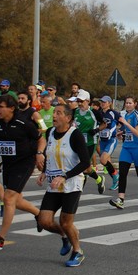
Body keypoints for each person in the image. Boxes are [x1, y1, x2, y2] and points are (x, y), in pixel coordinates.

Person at [36, 104, 91, 266]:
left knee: (66, 222)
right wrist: (44, 171)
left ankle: (77, 251)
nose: (54, 116)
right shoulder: (51, 132)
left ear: (68, 118)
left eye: (59, 113)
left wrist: (64, 176)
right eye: (54, 113)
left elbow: (86, 163)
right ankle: (65, 236)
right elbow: (50, 155)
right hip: (53, 184)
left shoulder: (75, 135)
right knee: (44, 221)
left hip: (71, 184)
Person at [0, 94, 45, 251]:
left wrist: (39, 153)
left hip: (25, 163)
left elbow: (41, 138)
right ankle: (39, 214)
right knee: (16, 200)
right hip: (8, 164)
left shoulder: (24, 123)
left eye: (0, 106)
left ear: (11, 108)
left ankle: (0, 237)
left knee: (9, 197)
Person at [70, 90, 106, 194]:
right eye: (78, 101)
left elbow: (104, 124)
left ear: (88, 101)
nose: (80, 103)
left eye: (82, 101)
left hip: (90, 142)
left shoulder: (94, 112)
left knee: (83, 166)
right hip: (78, 143)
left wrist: (96, 130)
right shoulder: (75, 111)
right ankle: (99, 179)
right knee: (86, 167)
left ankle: (78, 191)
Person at [98, 95, 122, 190]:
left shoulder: (113, 113)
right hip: (102, 140)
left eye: (104, 102)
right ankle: (116, 181)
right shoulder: (99, 113)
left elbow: (123, 123)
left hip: (111, 140)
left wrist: (121, 131)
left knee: (103, 160)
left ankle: (116, 176)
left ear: (109, 103)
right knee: (107, 163)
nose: (102, 104)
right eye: (101, 102)